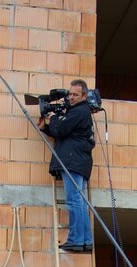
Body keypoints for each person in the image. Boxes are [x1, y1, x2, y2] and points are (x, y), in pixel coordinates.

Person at [38, 80, 95, 253]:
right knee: (79, 201)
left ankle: (76, 240)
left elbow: (61, 129)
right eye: (70, 94)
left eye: (75, 95)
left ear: (84, 96)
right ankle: (85, 240)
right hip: (77, 160)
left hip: (73, 161)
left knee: (74, 200)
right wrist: (46, 128)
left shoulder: (80, 111)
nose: (71, 97)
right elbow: (64, 133)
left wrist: (53, 118)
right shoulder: (78, 112)